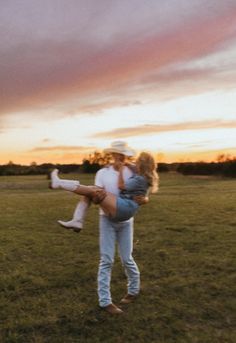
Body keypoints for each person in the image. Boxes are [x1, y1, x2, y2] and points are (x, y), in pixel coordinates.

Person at [51, 141, 157, 314]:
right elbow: (94, 193)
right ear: (112, 155)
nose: (119, 157)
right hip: (106, 219)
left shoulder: (133, 170)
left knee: (126, 258)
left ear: (126, 155)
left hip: (126, 221)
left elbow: (145, 186)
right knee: (106, 260)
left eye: (122, 154)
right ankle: (105, 301)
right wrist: (96, 196)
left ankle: (133, 290)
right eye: (116, 154)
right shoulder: (102, 173)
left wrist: (145, 199)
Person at [50, 151, 158, 222]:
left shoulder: (140, 178)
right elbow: (129, 165)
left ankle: (59, 183)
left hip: (125, 207)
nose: (135, 163)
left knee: (95, 190)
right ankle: (77, 221)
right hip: (125, 208)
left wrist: (120, 171)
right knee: (92, 190)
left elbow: (121, 186)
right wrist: (114, 165)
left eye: (137, 162)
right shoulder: (144, 176)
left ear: (141, 165)